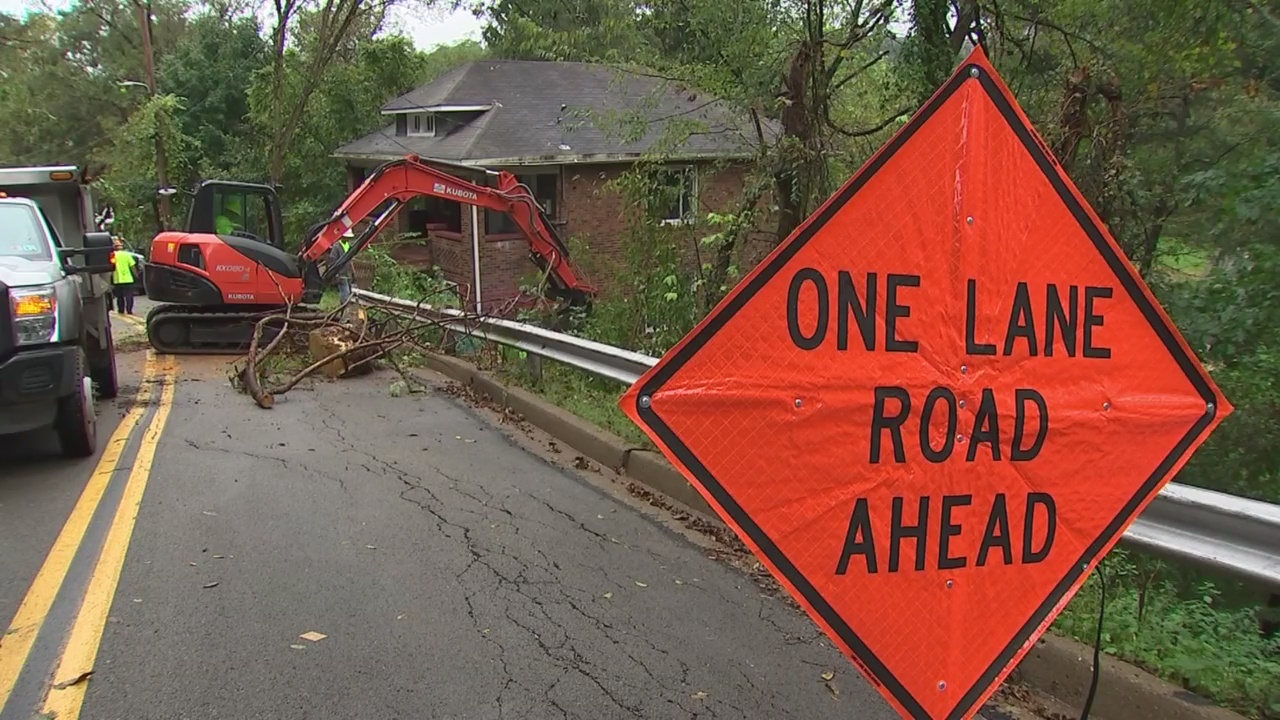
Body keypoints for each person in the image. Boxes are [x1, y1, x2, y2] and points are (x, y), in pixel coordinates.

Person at [111, 238, 138, 314]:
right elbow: (132, 266)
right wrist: (136, 276)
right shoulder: (127, 255)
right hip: (128, 279)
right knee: (129, 296)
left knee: (120, 297)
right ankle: (129, 310)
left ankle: (121, 310)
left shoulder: (113, 255)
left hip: (117, 279)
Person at [328, 229, 356, 304]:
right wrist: (335, 274)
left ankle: (344, 307)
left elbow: (350, 260)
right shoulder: (336, 247)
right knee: (345, 292)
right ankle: (344, 308)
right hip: (340, 274)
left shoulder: (348, 246)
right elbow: (332, 261)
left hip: (347, 273)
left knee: (349, 292)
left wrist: (353, 271)